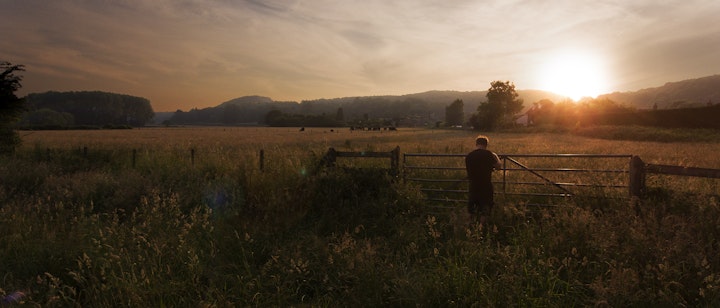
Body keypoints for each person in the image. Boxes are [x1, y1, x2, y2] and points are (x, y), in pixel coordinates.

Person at [465, 135, 502, 224]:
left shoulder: (469, 156)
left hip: (473, 185)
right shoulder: (489, 154)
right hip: (486, 185)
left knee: (472, 209)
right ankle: (481, 230)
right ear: (486, 144)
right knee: (485, 210)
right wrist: (496, 156)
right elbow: (498, 167)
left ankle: (471, 229)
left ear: (476, 144)